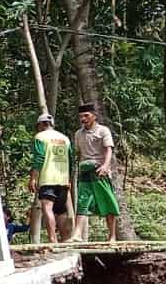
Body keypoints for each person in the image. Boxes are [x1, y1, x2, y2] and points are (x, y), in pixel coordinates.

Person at [72, 104, 119, 242]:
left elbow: (109, 149)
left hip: (99, 171)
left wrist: (106, 165)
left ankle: (112, 236)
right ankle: (77, 234)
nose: (83, 119)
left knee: (107, 201)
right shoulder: (78, 134)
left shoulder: (103, 131)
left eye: (86, 115)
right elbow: (79, 154)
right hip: (84, 171)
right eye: (81, 116)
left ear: (94, 116)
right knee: (82, 202)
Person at [27, 113, 72, 245]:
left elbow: (39, 158)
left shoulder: (40, 137)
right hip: (63, 179)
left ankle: (53, 239)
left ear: (41, 124)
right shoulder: (65, 139)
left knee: (47, 208)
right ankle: (65, 240)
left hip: (48, 179)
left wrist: (33, 178)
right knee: (61, 211)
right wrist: (68, 179)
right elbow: (70, 161)